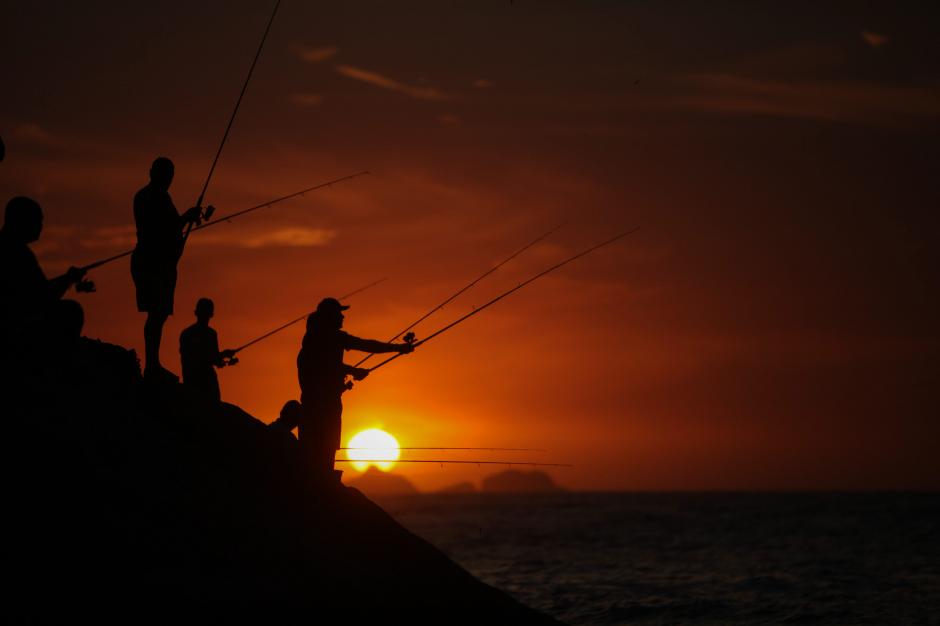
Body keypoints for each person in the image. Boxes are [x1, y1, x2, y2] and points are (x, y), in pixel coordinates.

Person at [297, 297, 413, 479]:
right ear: (329, 317)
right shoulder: (332, 337)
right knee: (326, 446)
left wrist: (350, 371)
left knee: (314, 449)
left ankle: (319, 480)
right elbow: (366, 345)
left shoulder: (312, 340)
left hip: (312, 404)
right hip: (325, 405)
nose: (343, 317)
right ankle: (324, 483)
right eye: (339, 314)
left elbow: (324, 365)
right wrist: (398, 348)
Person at [131, 157, 203, 380]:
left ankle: (154, 363)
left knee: (159, 314)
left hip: (158, 262)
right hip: (151, 262)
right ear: (153, 172)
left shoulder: (159, 196)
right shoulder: (150, 197)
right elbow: (162, 229)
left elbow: (169, 230)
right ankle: (152, 365)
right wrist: (187, 217)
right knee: (156, 313)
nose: (168, 179)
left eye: (170, 175)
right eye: (165, 174)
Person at [0, 196, 88, 344]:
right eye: (37, 220)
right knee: (71, 311)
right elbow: (42, 299)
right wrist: (68, 280)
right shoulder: (19, 253)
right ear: (22, 221)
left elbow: (38, 291)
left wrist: (66, 279)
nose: (40, 226)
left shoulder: (11, 247)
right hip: (16, 324)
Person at [179, 297, 235, 404]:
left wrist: (222, 357)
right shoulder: (210, 334)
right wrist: (224, 354)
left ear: (196, 313)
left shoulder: (186, 333)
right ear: (211, 314)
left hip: (190, 377)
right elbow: (212, 359)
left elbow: (213, 359)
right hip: (205, 380)